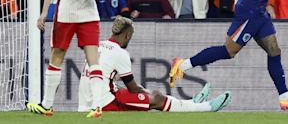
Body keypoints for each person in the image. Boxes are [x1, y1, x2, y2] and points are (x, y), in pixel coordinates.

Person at [78, 16, 232, 112]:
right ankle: (206, 108)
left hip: (87, 101)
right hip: (105, 103)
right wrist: (148, 94)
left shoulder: (98, 45)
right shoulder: (120, 52)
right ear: (127, 35)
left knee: (151, 96)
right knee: (156, 99)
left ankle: (191, 103)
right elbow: (133, 88)